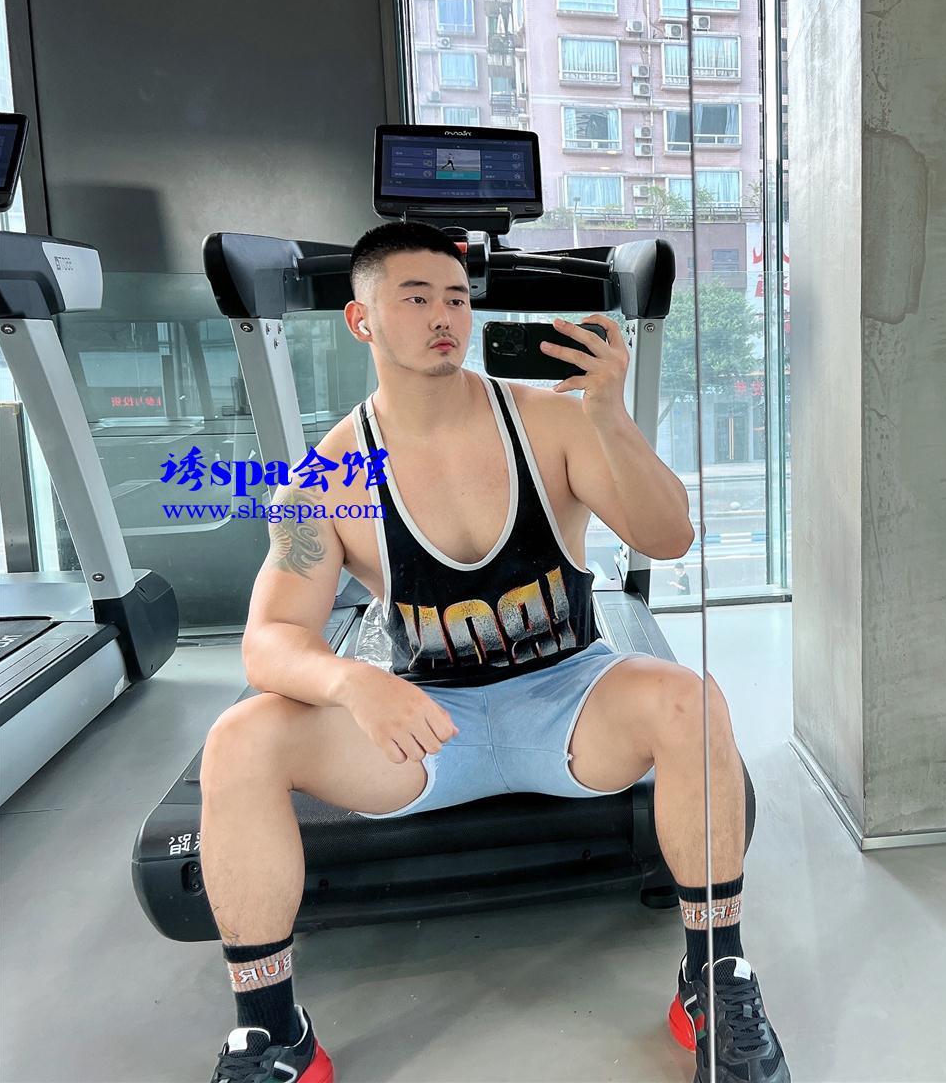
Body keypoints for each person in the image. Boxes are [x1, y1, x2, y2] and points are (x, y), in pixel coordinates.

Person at [201, 221, 790, 1083]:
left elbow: (668, 538)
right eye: (415, 298)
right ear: (361, 321)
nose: (444, 315)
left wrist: (610, 417)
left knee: (690, 699)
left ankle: (714, 976)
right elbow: (270, 637)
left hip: (572, 700)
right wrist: (353, 681)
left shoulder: (552, 423)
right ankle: (271, 1032)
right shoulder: (325, 479)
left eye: (455, 297)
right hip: (430, 723)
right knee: (240, 740)